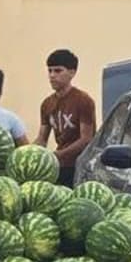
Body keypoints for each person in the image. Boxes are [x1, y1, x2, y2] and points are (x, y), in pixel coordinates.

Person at [34, 49, 96, 187]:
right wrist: (29, 154)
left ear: (72, 73)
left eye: (58, 71)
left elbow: (86, 139)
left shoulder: (83, 100)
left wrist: (57, 155)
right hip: (59, 167)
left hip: (80, 167)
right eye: (49, 71)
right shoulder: (46, 104)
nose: (52, 76)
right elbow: (42, 139)